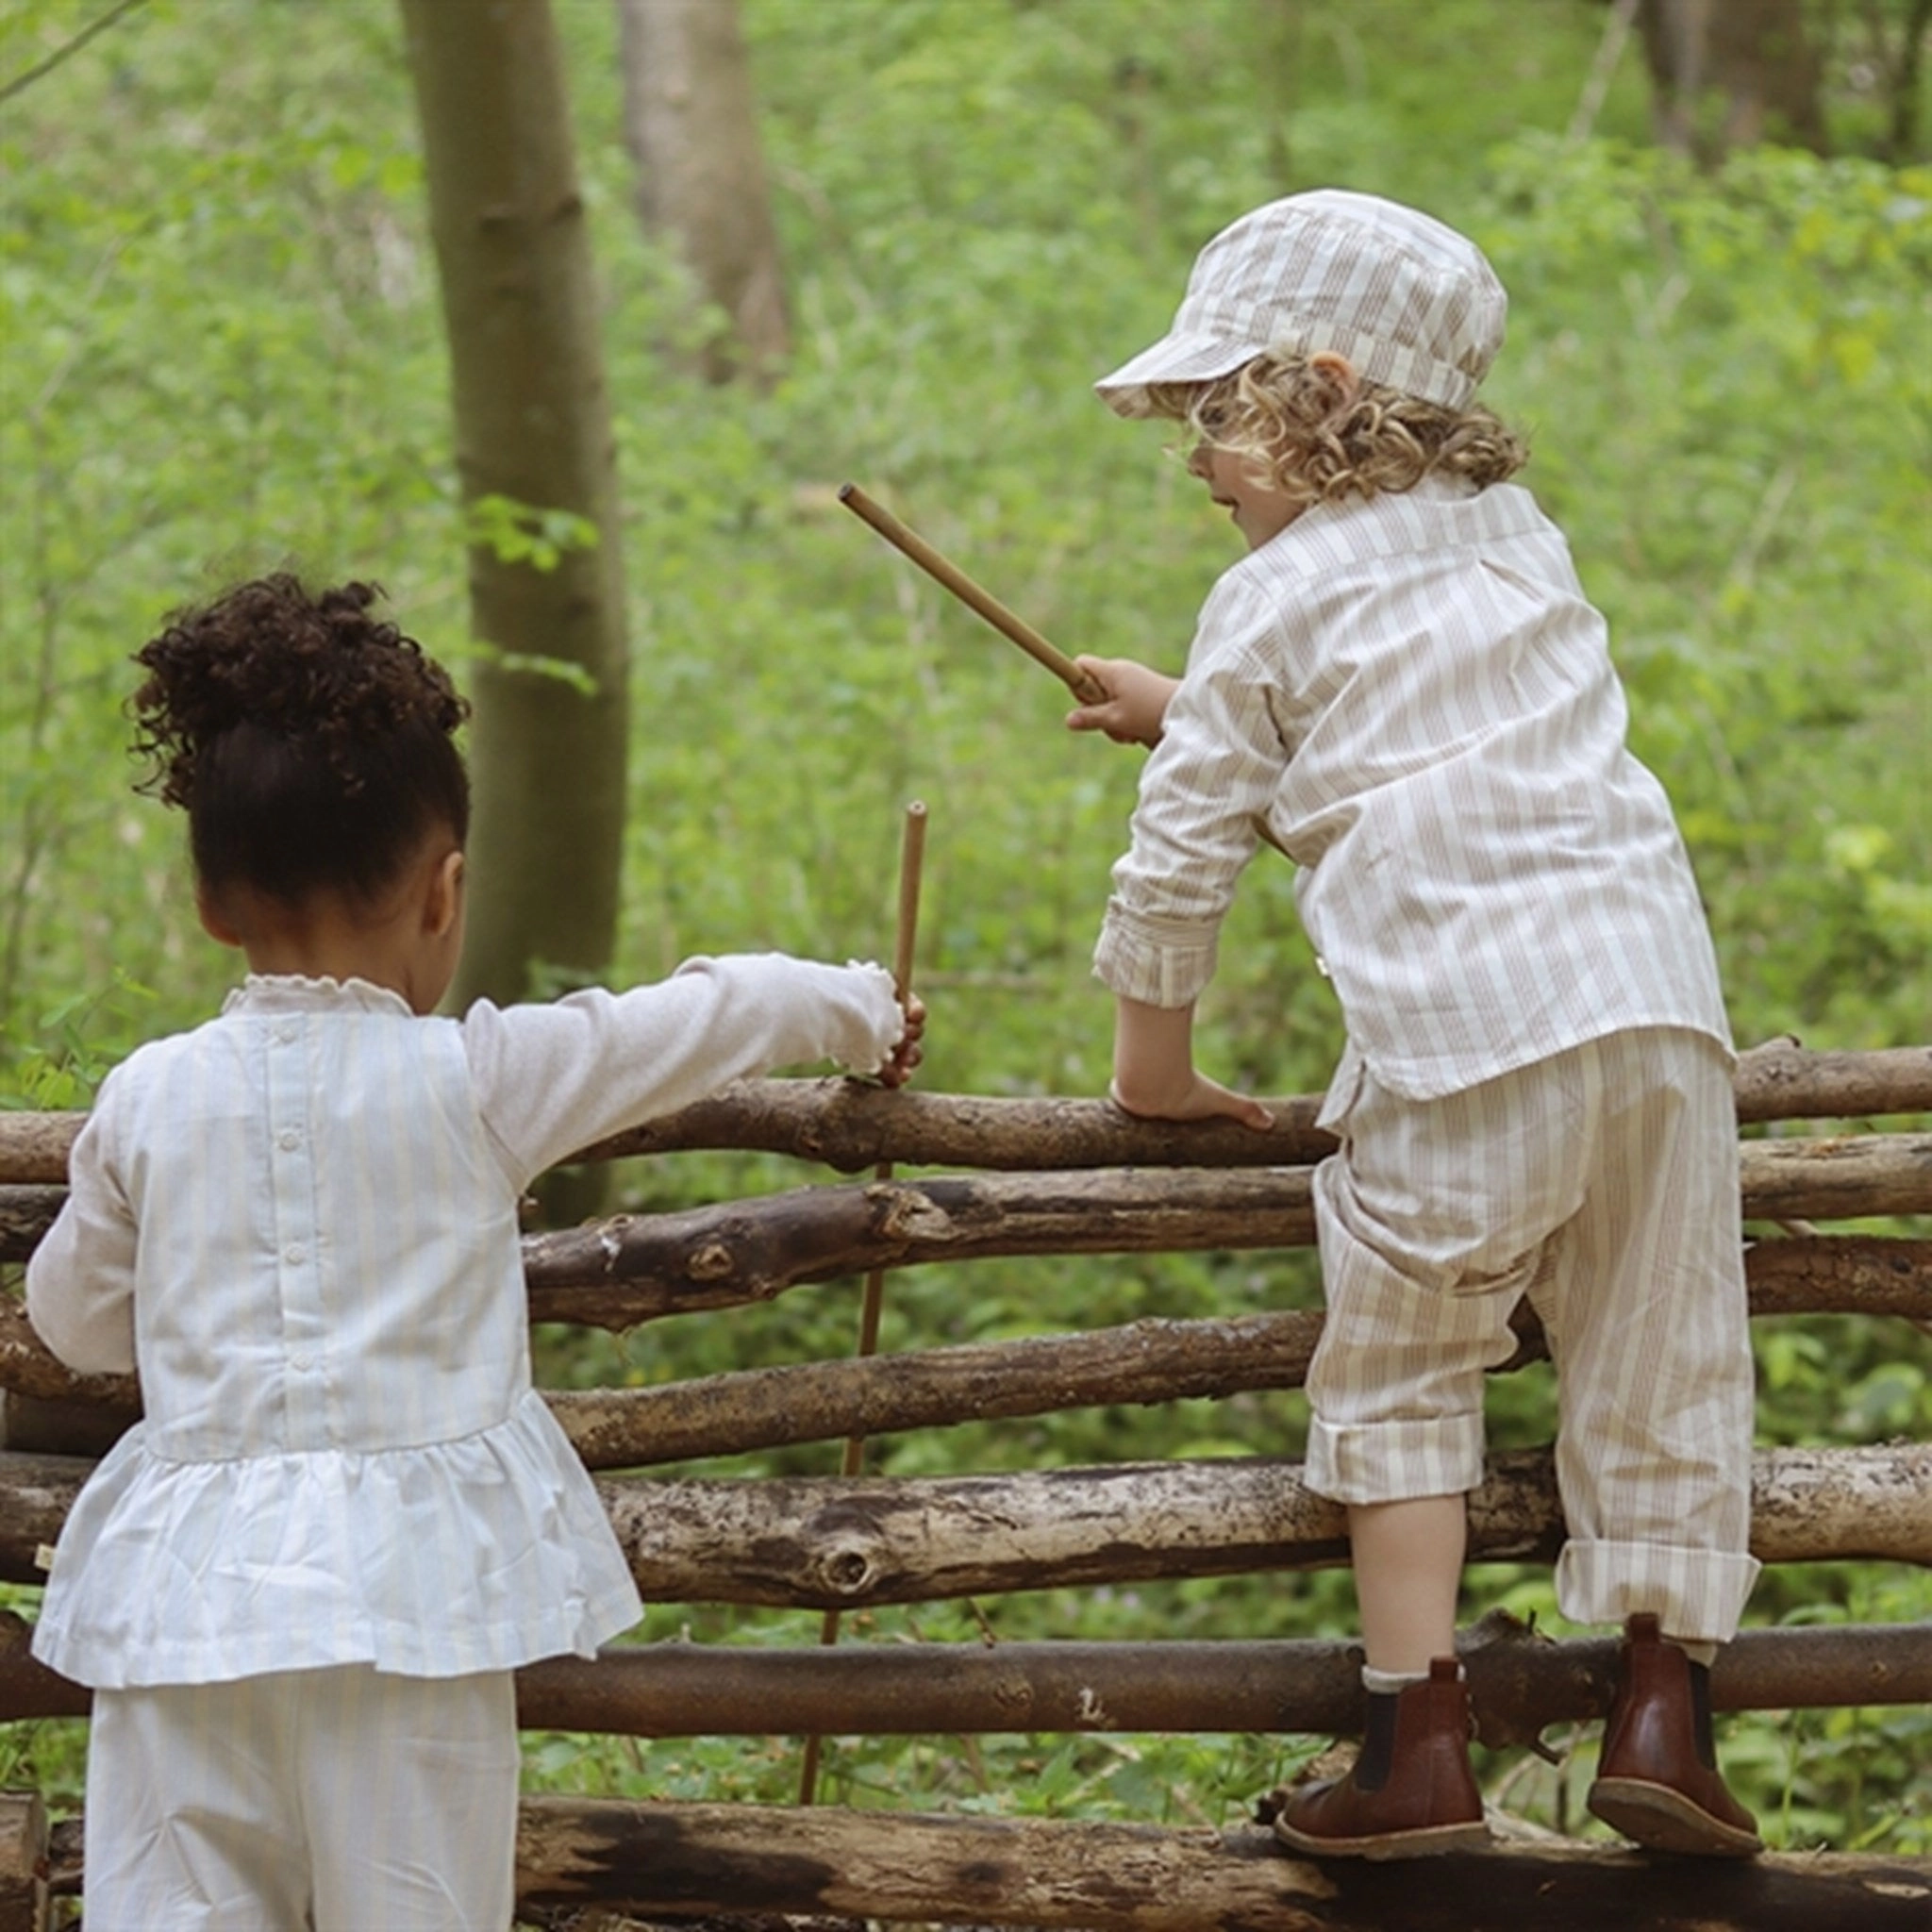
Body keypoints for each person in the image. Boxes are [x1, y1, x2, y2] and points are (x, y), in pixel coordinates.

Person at [25, 575, 924, 1929]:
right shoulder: (482, 1080)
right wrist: (860, 1010)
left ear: (211, 901)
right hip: (415, 1614)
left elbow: (77, 1325)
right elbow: (703, 1014)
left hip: (187, 1615)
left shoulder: (149, 1096)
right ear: (446, 893)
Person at [1069, 192, 1760, 1860]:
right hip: (1660, 1014)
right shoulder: (1521, 536)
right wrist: (1190, 713)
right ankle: (1668, 1712)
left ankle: (1417, 1745)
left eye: (1218, 414)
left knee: (1403, 1368)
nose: (1199, 460)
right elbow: (1415, 734)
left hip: (1462, 1040)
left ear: (1319, 387)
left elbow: (1184, 862)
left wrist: (1150, 1075)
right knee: (1667, 1358)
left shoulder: (1265, 603)